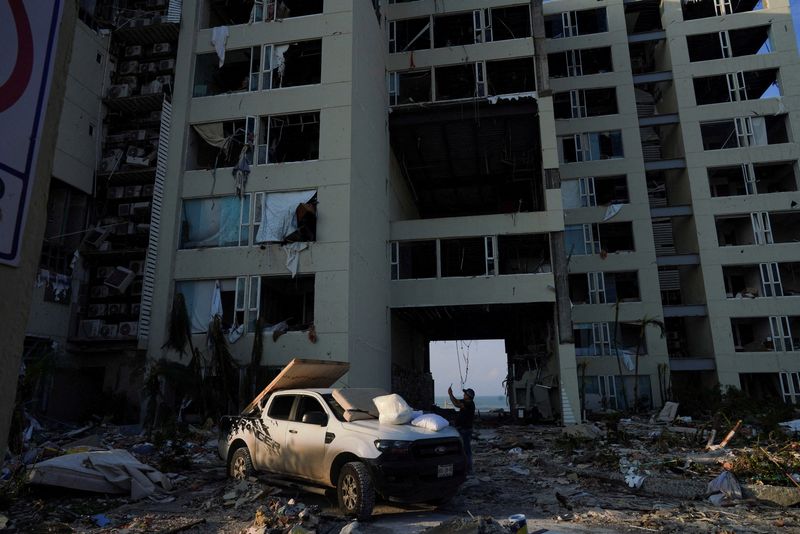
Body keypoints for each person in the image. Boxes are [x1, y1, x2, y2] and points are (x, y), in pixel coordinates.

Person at [448, 386, 476, 475]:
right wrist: (452, 395)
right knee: (463, 449)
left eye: (465, 394)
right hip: (462, 429)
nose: (463, 395)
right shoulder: (465, 402)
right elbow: (456, 401)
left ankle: (469, 469)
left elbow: (456, 405)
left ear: (469, 396)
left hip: (465, 430)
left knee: (466, 450)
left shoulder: (469, 404)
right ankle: (465, 468)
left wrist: (450, 394)